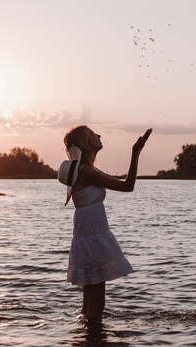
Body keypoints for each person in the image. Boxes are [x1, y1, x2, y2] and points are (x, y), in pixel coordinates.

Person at [61, 125, 152, 322]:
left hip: (89, 234)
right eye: (93, 134)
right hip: (91, 238)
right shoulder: (86, 172)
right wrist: (135, 152)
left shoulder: (88, 170)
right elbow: (128, 186)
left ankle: (88, 345)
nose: (99, 135)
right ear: (86, 144)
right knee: (96, 306)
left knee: (89, 306)